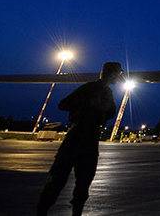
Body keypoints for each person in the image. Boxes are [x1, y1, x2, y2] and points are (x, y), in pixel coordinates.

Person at [36, 62, 122, 216]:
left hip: (85, 138)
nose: (119, 77)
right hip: (79, 138)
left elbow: (109, 113)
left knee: (77, 183)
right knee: (62, 181)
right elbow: (64, 104)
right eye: (118, 73)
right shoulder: (91, 88)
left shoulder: (106, 92)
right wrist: (87, 106)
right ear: (113, 74)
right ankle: (43, 212)